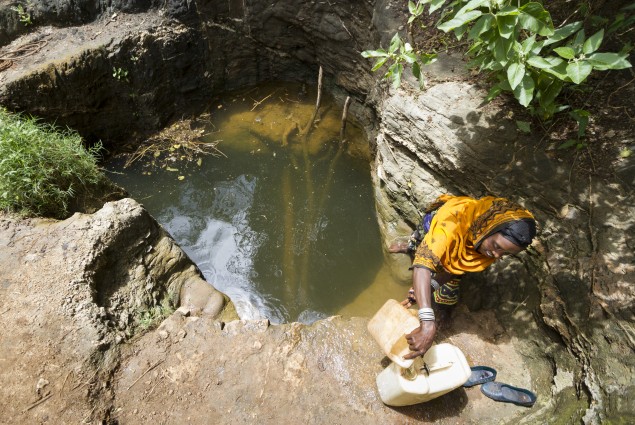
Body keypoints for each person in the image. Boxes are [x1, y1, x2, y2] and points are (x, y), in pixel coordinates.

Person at [389, 194, 536, 360]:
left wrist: (430, 287)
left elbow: (456, 268)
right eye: (496, 246)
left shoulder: (484, 242)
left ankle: (441, 307)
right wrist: (427, 322)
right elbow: (423, 264)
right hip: (437, 226)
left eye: (505, 253)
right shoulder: (452, 223)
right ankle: (409, 246)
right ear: (488, 228)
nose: (496, 255)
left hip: (462, 243)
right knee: (421, 247)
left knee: (447, 286)